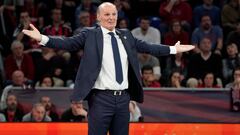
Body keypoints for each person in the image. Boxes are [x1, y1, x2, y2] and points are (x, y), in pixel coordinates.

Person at [22, 2, 194, 135]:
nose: (111, 17)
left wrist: (173, 49)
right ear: (98, 17)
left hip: (123, 99)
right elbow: (68, 43)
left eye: (114, 14)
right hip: (100, 99)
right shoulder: (90, 34)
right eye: (106, 14)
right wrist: (43, 38)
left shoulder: (126, 35)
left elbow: (149, 47)